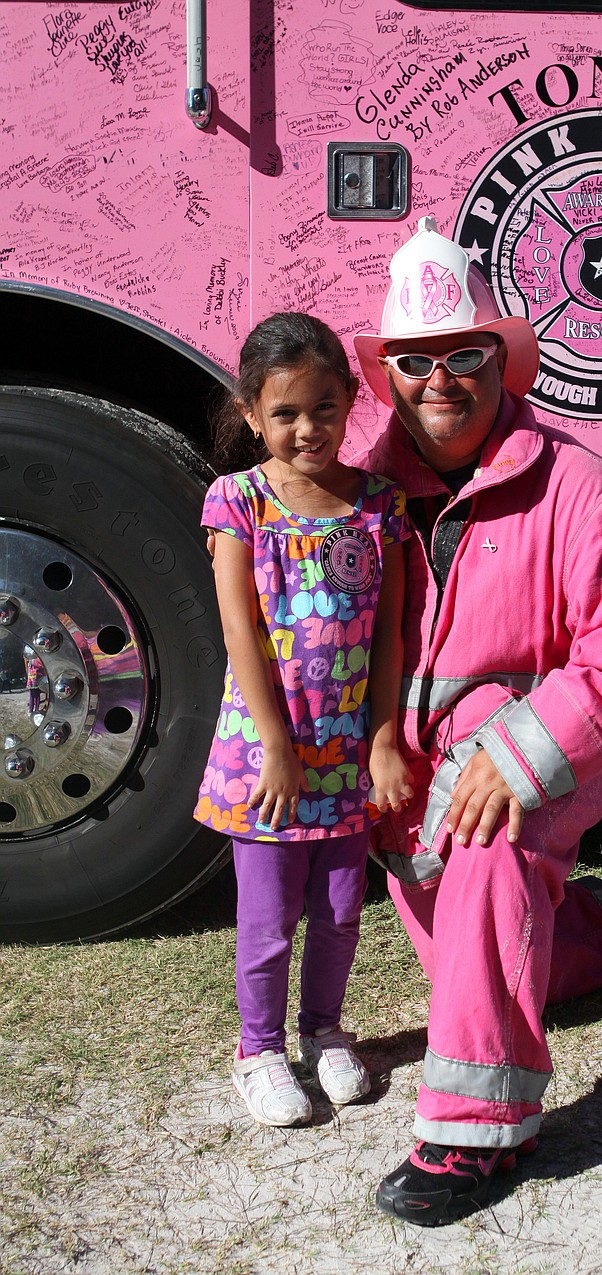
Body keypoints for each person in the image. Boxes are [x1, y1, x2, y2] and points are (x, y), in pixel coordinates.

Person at [350, 217, 602, 1225]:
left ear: (502, 360)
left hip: (562, 735)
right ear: (388, 370)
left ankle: (471, 1139)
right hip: (419, 756)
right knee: (480, 962)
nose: (439, 379)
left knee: (491, 850)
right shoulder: (358, 494)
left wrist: (522, 760)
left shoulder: (584, 487)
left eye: (463, 355)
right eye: (415, 360)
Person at [194, 312, 413, 1128]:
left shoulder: (380, 506)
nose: (307, 427)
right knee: (267, 918)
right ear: (252, 414)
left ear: (350, 401)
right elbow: (239, 629)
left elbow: (391, 632)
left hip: (348, 757)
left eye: (323, 407)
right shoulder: (238, 500)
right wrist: (277, 749)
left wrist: (384, 738)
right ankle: (258, 1049)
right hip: (269, 759)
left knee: (342, 909)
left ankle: (324, 1031)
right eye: (284, 413)